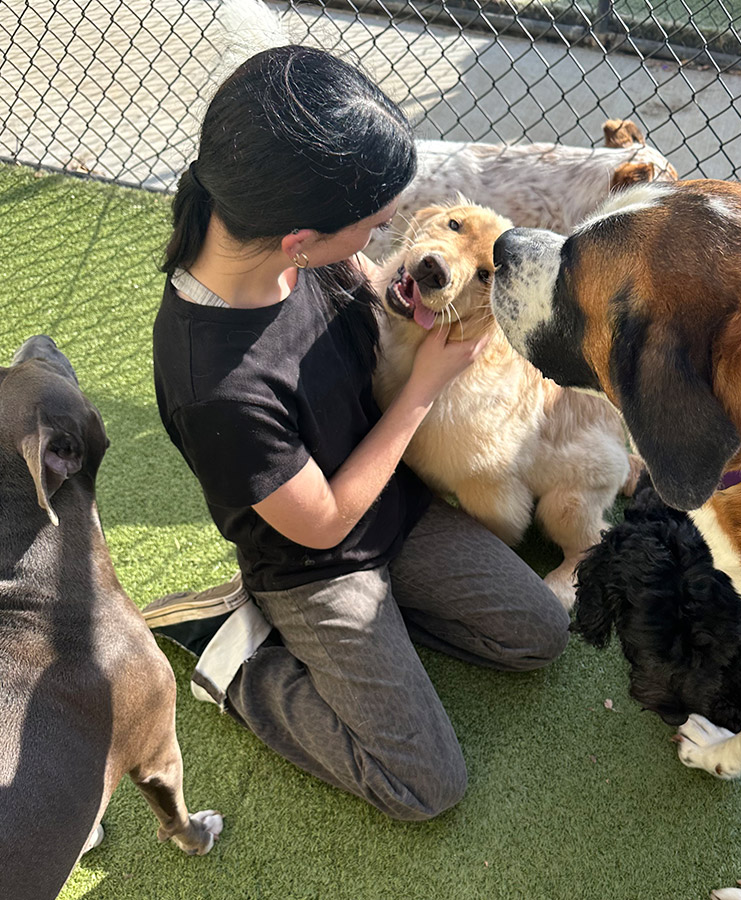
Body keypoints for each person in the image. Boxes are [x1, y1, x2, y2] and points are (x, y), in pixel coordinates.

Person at [145, 44, 571, 823]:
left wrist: (437, 309)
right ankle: (234, 652)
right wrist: (422, 391)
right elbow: (326, 522)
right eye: (372, 224)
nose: (385, 236)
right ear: (299, 238)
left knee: (538, 634)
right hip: (314, 562)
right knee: (424, 786)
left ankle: (372, 651)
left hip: (395, 509)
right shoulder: (218, 386)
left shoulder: (290, 247)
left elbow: (380, 293)